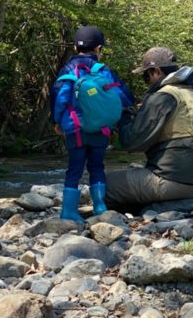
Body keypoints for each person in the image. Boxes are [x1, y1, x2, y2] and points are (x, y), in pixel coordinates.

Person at [105, 46, 193, 212]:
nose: (147, 81)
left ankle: (151, 209)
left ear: (156, 71)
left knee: (104, 184)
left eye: (146, 76)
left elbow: (132, 142)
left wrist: (123, 117)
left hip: (172, 183)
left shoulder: (164, 96)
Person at [51, 25, 134, 221]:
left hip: (75, 129)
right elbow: (123, 97)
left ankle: (69, 211)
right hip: (100, 129)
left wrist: (56, 121)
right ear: (98, 49)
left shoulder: (67, 71)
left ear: (75, 47)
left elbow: (59, 98)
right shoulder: (103, 71)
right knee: (97, 166)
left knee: (74, 168)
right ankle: (100, 207)